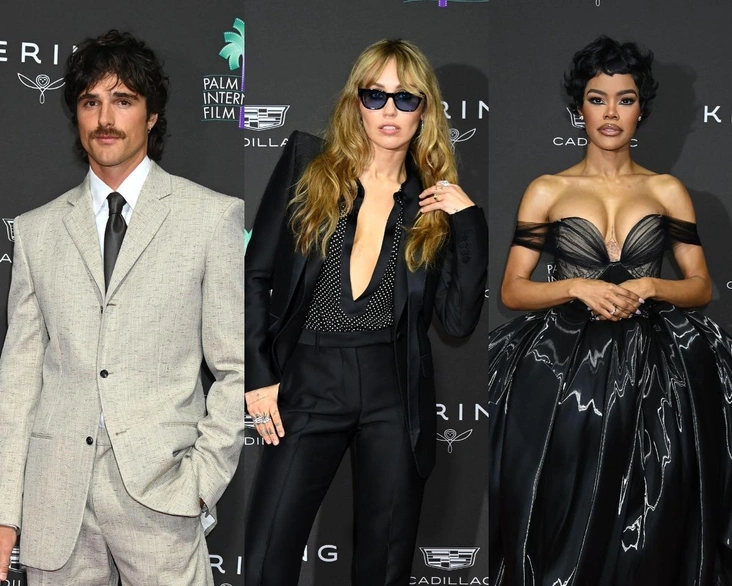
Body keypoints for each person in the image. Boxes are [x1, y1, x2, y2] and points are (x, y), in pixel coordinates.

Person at [0, 30, 245, 585]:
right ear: (76, 116)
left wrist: (201, 482)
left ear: (152, 115)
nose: (105, 118)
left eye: (123, 100)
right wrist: (6, 514)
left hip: (163, 496)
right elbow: (18, 382)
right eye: (91, 102)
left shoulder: (210, 218)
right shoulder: (37, 231)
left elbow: (235, 367)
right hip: (55, 500)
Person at [488, 36, 732, 585]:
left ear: (641, 108)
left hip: (657, 371)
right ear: (580, 108)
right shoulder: (547, 190)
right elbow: (513, 291)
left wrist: (651, 284)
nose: (611, 113)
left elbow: (700, 287)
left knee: (657, 507)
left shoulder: (666, 190)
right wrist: (577, 286)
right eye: (598, 99)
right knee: (566, 502)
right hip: (567, 370)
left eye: (625, 99)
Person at [244, 39, 488, 585]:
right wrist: (259, 376)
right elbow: (255, 274)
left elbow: (456, 322)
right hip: (309, 377)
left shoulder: (434, 204)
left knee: (384, 566)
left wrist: (469, 221)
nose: (388, 110)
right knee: (266, 558)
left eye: (405, 98)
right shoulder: (308, 165)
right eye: (375, 95)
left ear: (425, 109)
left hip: (392, 389)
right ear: (356, 102)